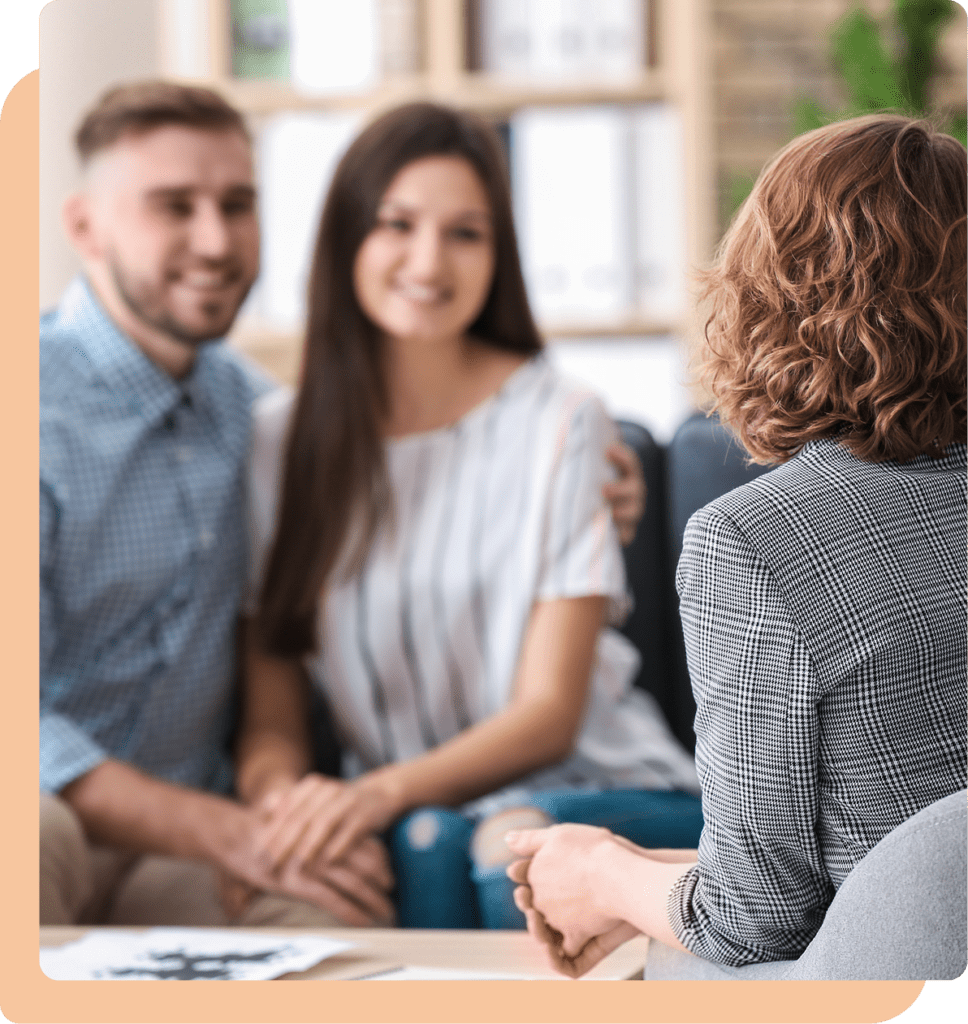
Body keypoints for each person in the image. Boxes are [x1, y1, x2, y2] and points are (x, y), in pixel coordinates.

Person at [39, 82, 645, 930]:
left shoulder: (249, 418)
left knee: (338, 907)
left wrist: (608, 493)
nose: (213, 240)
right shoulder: (35, 405)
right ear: (84, 226)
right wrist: (260, 818)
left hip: (220, 837)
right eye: (173, 206)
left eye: (237, 204)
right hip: (62, 815)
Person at [505, 113, 967, 975]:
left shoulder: (753, 543)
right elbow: (828, 879)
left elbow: (753, 927)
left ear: (768, 300)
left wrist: (600, 875)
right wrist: (650, 884)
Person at [238, 101, 703, 931]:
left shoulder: (561, 420)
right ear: (348, 237)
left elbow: (548, 715)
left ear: (499, 256)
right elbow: (270, 714)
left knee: (503, 842)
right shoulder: (278, 442)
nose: (429, 259)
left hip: (596, 783)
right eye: (398, 223)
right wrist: (289, 810)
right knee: (421, 840)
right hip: (417, 813)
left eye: (466, 232)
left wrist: (369, 793)